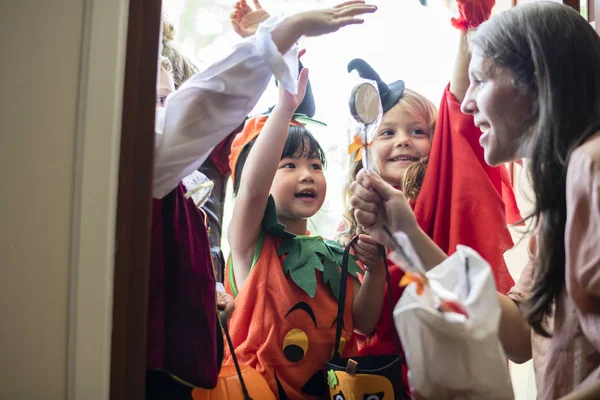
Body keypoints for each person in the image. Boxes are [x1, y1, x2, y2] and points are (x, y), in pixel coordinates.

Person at [349, 2, 600, 398]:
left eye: (480, 80)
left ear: (535, 81)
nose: (467, 104)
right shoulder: (564, 191)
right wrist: (405, 234)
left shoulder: (592, 167)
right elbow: (520, 335)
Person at [147, 1, 376, 394]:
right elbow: (253, 189)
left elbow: (363, 321)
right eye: (287, 165)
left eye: (315, 165)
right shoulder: (252, 245)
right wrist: (286, 105)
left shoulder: (337, 254)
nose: (306, 174)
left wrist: (377, 268)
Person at [336, 0, 519, 389]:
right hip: (385, 380)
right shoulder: (351, 224)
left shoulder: (437, 190)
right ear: (364, 145)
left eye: (418, 131)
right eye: (387, 132)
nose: (403, 141)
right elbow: (359, 322)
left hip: (459, 373)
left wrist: (471, 24)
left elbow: (458, 109)